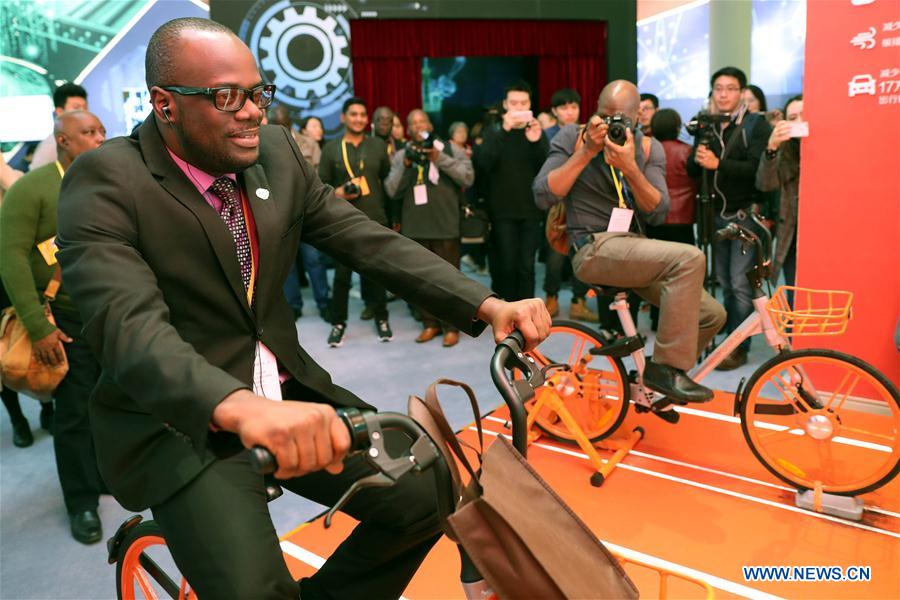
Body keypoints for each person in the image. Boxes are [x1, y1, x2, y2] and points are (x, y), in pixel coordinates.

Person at [55, 19, 550, 597]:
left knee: (427, 493)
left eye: (258, 93)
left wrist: (486, 303)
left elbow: (367, 240)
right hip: (183, 424)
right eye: (227, 96)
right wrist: (235, 405)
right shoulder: (106, 180)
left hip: (291, 398)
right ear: (165, 104)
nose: (252, 112)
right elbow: (128, 326)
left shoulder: (276, 155)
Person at [534, 80, 726, 408]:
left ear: (639, 117)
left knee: (711, 315)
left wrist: (630, 168)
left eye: (621, 119)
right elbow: (543, 195)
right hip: (592, 247)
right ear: (595, 111)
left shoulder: (650, 148)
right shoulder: (572, 137)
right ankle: (667, 371)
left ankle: (652, 379)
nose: (612, 126)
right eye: (605, 116)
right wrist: (586, 152)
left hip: (632, 246)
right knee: (691, 257)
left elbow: (658, 211)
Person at [1, 110, 108, 543]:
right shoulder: (33, 188)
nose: (100, 138)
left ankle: (103, 475)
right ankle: (81, 502)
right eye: (89, 132)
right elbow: (9, 257)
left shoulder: (108, 180)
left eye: (102, 130)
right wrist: (37, 326)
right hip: (62, 318)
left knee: (111, 401)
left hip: (110, 312)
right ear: (64, 141)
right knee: (75, 413)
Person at [687, 67, 772, 371]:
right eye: (718, 88)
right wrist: (699, 158)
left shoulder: (755, 125)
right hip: (713, 216)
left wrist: (717, 163)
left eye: (730, 88)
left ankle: (740, 346)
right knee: (723, 281)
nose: (723, 94)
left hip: (743, 216)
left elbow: (756, 171)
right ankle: (731, 332)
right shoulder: (707, 124)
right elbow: (692, 171)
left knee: (738, 283)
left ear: (742, 93)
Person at [385, 109, 474, 347]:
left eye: (421, 121)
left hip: (446, 225)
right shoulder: (402, 154)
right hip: (415, 228)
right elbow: (391, 190)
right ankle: (430, 324)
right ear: (408, 128)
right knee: (420, 282)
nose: (417, 125)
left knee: (449, 281)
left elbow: (467, 177)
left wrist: (438, 158)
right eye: (412, 122)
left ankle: (451, 326)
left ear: (430, 125)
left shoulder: (450, 148)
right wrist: (405, 165)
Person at [319, 97, 394, 346]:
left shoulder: (378, 147)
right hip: (343, 221)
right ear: (343, 117)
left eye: (363, 114)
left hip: (375, 219)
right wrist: (339, 193)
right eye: (353, 114)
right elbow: (322, 187)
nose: (359, 118)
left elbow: (384, 178)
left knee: (379, 273)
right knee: (342, 277)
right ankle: (338, 322)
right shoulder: (331, 148)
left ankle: (381, 317)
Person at [475, 82, 549, 301]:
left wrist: (536, 143)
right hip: (501, 211)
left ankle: (527, 313)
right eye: (514, 103)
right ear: (505, 105)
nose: (518, 107)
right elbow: (483, 163)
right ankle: (504, 312)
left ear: (530, 104)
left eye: (523, 103)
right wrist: (504, 130)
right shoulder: (494, 130)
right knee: (506, 265)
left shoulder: (535, 131)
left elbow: (546, 169)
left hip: (530, 210)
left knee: (527, 266)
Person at [539, 87, 597, 322]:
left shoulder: (588, 132)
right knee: (554, 252)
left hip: (584, 201)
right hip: (557, 202)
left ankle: (578, 300)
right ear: (554, 111)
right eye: (564, 107)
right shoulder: (545, 135)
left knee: (583, 253)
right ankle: (550, 298)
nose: (570, 112)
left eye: (574, 106)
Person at [645, 108, 699, 331]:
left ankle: (657, 319)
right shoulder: (688, 151)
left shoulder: (647, 151)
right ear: (678, 127)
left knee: (656, 273)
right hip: (683, 219)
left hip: (654, 217)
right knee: (684, 273)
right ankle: (681, 319)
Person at [0, 152, 34, 447]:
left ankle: (47, 404)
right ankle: (17, 419)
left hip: (7, 259)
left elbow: (17, 186)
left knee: (27, 326)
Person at [756, 94, 803, 289]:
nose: (799, 121)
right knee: (796, 292)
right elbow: (765, 184)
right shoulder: (784, 150)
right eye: (792, 118)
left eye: (804, 115)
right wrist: (772, 147)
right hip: (793, 232)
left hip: (828, 232)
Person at [29, 83, 89, 171]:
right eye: (76, 108)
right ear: (60, 112)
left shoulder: (93, 138)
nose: (83, 112)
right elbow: (35, 180)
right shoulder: (51, 145)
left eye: (85, 107)